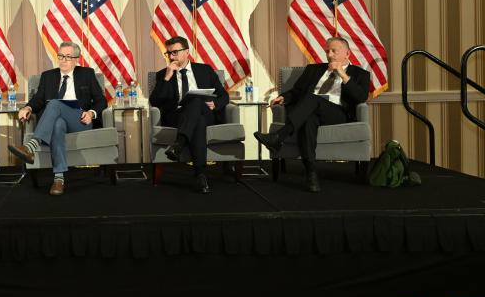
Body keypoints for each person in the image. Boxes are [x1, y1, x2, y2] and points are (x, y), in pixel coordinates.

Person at [254, 36, 370, 192]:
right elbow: (297, 91)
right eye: (327, 51)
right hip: (311, 110)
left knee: (313, 99)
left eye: (334, 51)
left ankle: (279, 137)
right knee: (309, 119)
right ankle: (311, 174)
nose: (329, 55)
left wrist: (342, 74)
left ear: (347, 54)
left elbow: (361, 97)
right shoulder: (313, 70)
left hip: (338, 114)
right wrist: (285, 97)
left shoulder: (360, 74)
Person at [7, 41, 107, 196]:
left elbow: (101, 100)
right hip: (56, 121)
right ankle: (59, 179)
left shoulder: (87, 74)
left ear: (76, 59)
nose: (63, 60)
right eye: (60, 56)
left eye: (68, 57)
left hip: (80, 121)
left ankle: (31, 146)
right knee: (58, 124)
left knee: (53, 103)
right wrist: (27, 107)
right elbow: (39, 99)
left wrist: (91, 113)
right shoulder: (48, 76)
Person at [149, 36, 229, 194]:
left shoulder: (205, 70)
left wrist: (216, 104)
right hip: (178, 116)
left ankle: (179, 144)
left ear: (186, 52)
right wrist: (167, 77)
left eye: (175, 52)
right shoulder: (163, 75)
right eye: (169, 53)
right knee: (197, 119)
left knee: (196, 102)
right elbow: (155, 101)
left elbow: (224, 95)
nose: (172, 56)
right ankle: (200, 173)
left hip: (207, 113)